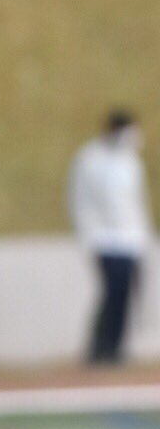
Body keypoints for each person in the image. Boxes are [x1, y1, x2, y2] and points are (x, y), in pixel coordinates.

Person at [69, 111, 153, 364]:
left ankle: (115, 349)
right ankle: (100, 347)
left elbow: (137, 203)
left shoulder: (130, 161)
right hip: (103, 240)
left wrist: (143, 238)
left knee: (124, 296)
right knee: (111, 292)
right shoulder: (89, 158)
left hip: (130, 241)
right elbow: (80, 200)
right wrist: (87, 236)